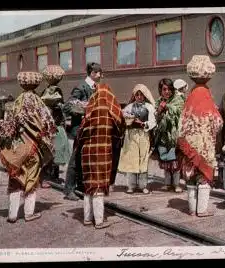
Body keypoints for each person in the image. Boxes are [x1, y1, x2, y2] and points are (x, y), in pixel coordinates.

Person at [0, 71, 57, 223]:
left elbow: (9, 126)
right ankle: (29, 213)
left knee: (15, 178)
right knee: (32, 178)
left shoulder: (17, 101)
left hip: (18, 148)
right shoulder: (39, 102)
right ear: (36, 84)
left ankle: (12, 214)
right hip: (33, 148)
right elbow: (50, 125)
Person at [177, 55, 223, 216]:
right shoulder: (207, 97)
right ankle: (202, 210)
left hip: (189, 146)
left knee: (190, 177)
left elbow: (181, 125)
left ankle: (191, 209)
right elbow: (218, 122)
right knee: (203, 176)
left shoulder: (189, 98)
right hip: (204, 146)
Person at [74, 83, 124, 229]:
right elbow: (120, 123)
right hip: (103, 150)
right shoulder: (110, 110)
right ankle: (100, 220)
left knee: (88, 185)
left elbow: (80, 134)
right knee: (99, 186)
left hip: (87, 152)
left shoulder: (90, 110)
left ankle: (87, 218)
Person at [62, 62, 102, 201]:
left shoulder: (96, 87)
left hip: (90, 129)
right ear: (92, 73)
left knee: (85, 158)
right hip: (80, 129)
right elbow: (68, 105)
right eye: (98, 72)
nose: (100, 75)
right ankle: (68, 190)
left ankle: (80, 186)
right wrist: (82, 107)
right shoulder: (81, 87)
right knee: (75, 159)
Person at [118, 84, 156, 194]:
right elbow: (123, 116)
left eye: (141, 95)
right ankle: (131, 185)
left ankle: (143, 185)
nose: (139, 97)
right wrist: (127, 120)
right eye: (137, 95)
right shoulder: (129, 107)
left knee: (143, 159)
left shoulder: (149, 107)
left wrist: (144, 124)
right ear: (134, 96)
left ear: (145, 96)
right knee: (132, 159)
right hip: (131, 135)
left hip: (143, 135)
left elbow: (153, 121)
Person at [40, 65, 71, 187]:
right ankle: (47, 177)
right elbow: (58, 105)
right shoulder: (57, 90)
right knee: (54, 149)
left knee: (52, 149)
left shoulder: (46, 89)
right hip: (54, 124)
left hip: (49, 124)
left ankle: (51, 176)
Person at [154, 78, 185, 193]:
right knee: (165, 160)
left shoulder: (178, 99)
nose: (166, 92)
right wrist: (159, 110)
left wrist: (168, 107)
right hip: (163, 136)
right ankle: (167, 184)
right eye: (164, 89)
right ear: (160, 90)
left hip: (174, 136)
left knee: (175, 161)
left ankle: (176, 184)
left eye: (169, 89)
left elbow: (180, 111)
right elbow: (155, 117)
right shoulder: (159, 101)